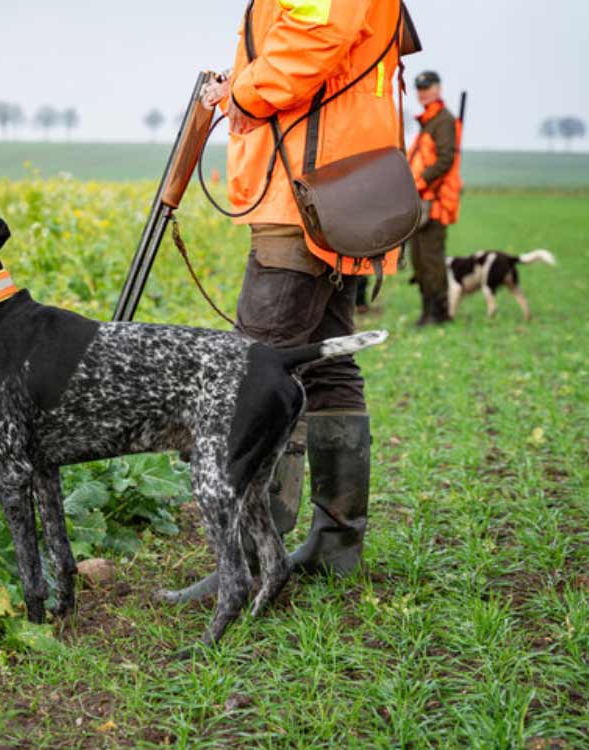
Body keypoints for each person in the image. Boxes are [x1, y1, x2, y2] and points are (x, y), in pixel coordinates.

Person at [173, 0, 406, 602]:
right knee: (330, 371)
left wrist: (240, 94)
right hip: (332, 190)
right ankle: (335, 547)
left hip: (305, 192)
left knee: (256, 370)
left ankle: (252, 559)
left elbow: (313, 35)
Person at [407, 70, 461, 325]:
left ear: (438, 89)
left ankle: (439, 314)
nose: (423, 92)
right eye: (420, 89)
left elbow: (446, 159)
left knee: (431, 261)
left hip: (435, 203)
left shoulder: (443, 120)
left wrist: (420, 181)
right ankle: (427, 311)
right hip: (421, 200)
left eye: (428, 87)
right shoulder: (429, 121)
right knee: (419, 259)